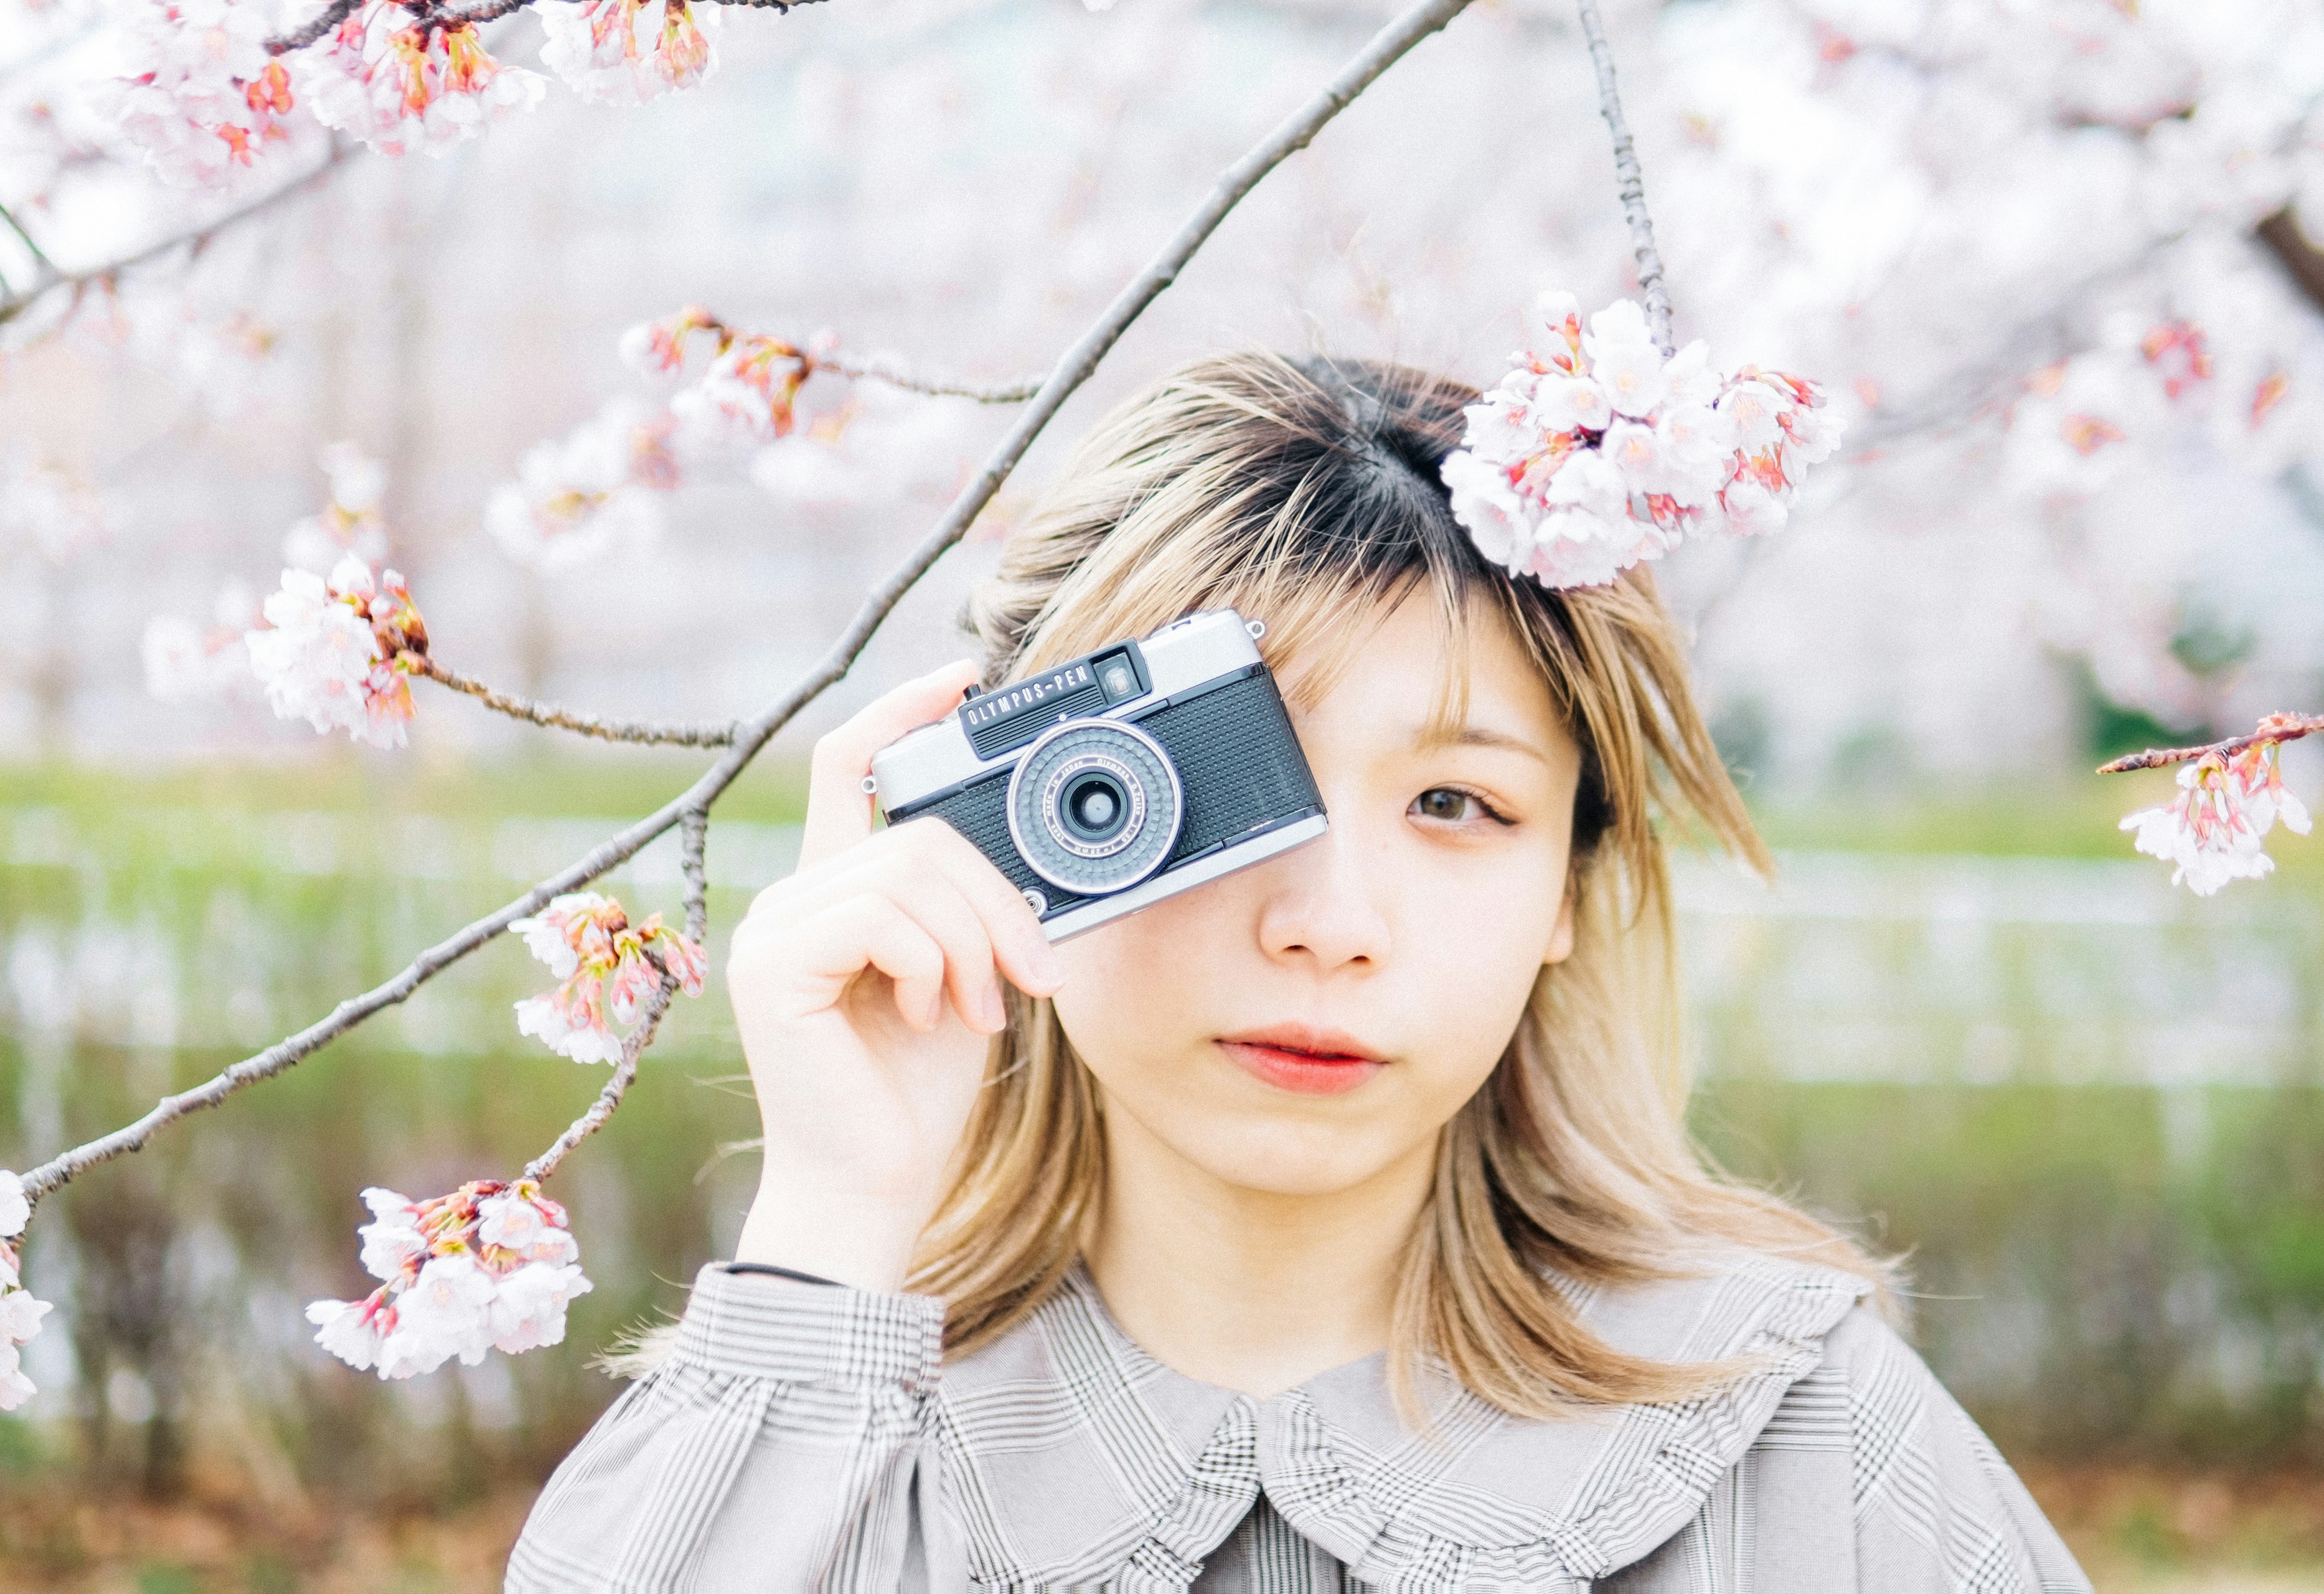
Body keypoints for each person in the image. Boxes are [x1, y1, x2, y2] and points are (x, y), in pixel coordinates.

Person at [505, 353, 2089, 1592]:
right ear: (1025, 810)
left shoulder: (1796, 1427)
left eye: (1456, 803)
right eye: (1217, 794)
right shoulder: (825, 1429)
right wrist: (834, 1224)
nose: (1330, 920)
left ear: (1568, 886)